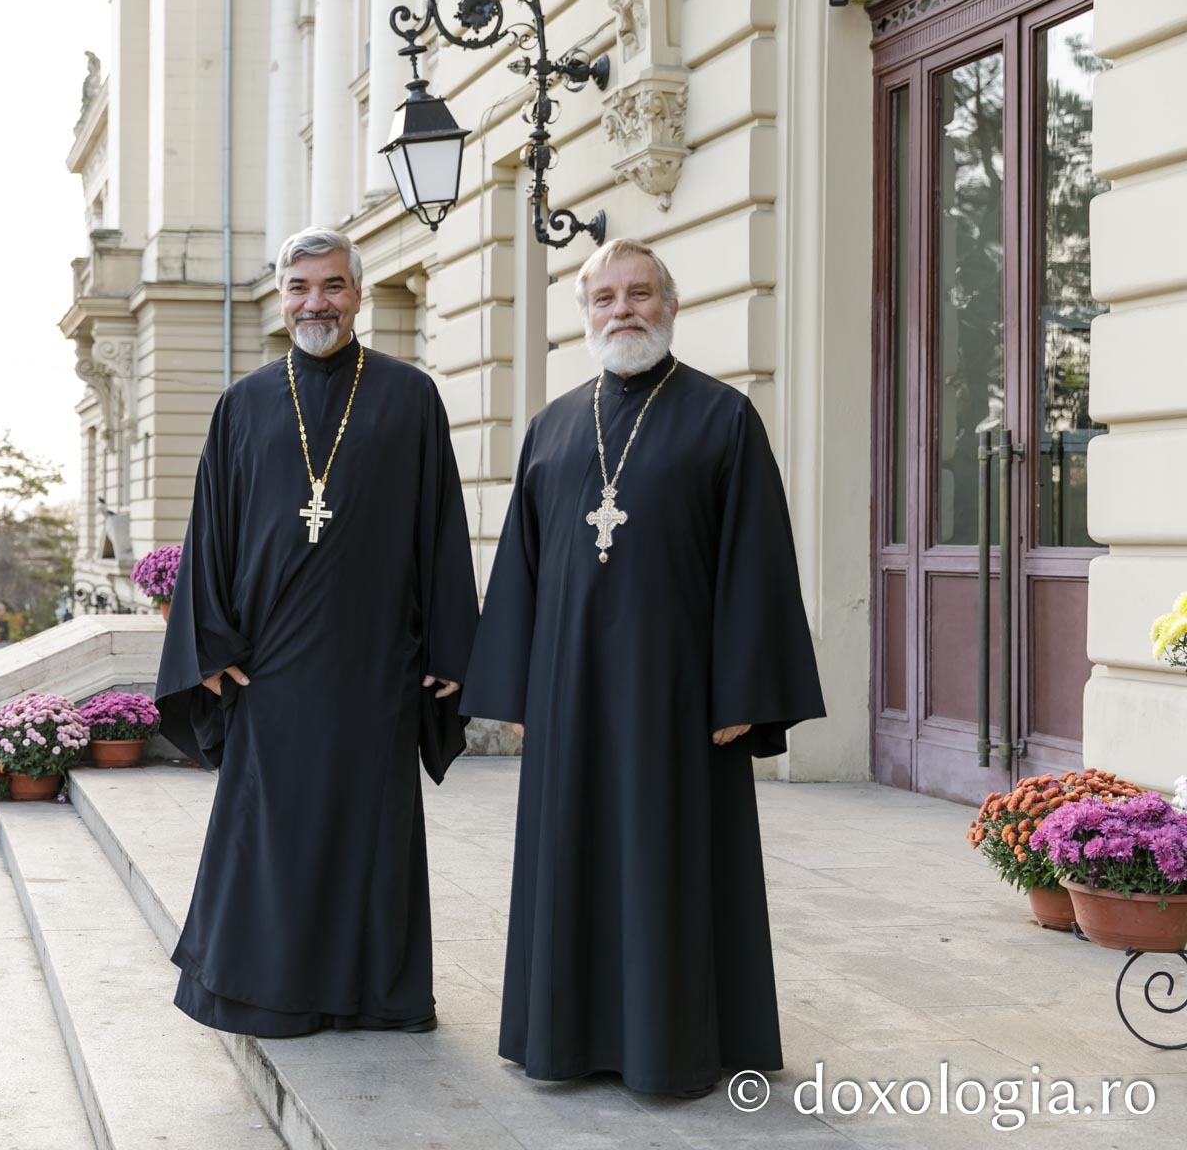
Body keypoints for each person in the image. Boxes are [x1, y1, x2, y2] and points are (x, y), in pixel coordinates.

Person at [462, 238, 825, 1098]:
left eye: (639, 294)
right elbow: (518, 566)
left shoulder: (723, 418)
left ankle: (674, 1045)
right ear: (585, 314)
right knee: (572, 858)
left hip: (676, 697)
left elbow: (756, 560)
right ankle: (563, 1037)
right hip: (569, 692)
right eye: (603, 299)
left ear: (670, 305)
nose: (621, 310)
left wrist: (743, 687)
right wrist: (514, 690)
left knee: (668, 862)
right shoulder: (552, 427)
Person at [154, 225, 481, 1037]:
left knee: (371, 827)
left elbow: (441, 527)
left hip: (377, 660)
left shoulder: (410, 396)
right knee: (272, 829)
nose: (316, 303)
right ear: (280, 295)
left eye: (332, 286)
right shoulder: (245, 403)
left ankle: (374, 994)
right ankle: (262, 989)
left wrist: (449, 644)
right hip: (271, 666)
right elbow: (211, 536)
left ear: (357, 294)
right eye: (300, 287)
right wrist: (211, 646)